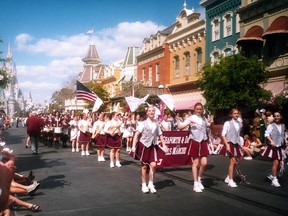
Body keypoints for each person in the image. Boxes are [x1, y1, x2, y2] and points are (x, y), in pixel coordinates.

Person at [131, 106, 168, 194]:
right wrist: (133, 146)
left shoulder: (156, 123)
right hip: (144, 145)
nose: (151, 112)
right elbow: (136, 135)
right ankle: (144, 184)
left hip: (153, 145)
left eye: (153, 111)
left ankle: (151, 183)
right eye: (150, 111)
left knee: (154, 165)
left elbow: (160, 134)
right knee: (144, 166)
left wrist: (164, 144)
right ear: (147, 113)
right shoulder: (142, 123)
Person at [177, 102, 211, 192]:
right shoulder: (191, 118)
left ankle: (199, 179)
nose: (199, 111)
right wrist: (179, 120)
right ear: (194, 110)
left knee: (204, 163)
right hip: (195, 141)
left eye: (200, 109)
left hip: (203, 141)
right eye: (197, 109)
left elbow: (208, 126)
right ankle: (195, 183)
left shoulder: (204, 118)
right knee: (195, 163)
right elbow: (180, 127)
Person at [262, 112, 287, 187]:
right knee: (275, 163)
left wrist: (285, 140)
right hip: (274, 147)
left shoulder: (283, 125)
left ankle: (272, 175)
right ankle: (274, 180)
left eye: (278, 116)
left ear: (281, 117)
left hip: (280, 146)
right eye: (275, 116)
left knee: (280, 163)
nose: (276, 117)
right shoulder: (271, 125)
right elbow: (266, 134)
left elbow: (283, 134)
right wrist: (271, 140)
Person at [220, 108, 243, 188]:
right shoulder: (227, 123)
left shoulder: (239, 123)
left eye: (237, 113)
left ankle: (228, 177)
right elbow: (223, 134)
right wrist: (227, 145)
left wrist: (240, 145)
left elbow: (238, 134)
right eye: (234, 113)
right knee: (232, 162)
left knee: (235, 161)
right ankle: (230, 180)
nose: (236, 115)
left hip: (236, 144)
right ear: (231, 114)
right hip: (230, 143)